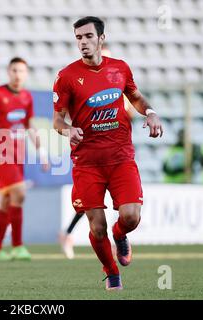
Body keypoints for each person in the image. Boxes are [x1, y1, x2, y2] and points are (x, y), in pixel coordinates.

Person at [53, 16, 163, 290]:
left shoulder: (120, 68)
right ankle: (111, 272)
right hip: (87, 162)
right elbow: (57, 120)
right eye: (78, 38)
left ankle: (121, 235)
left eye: (88, 36)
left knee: (130, 217)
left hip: (121, 157)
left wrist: (149, 113)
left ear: (101, 38)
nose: (83, 42)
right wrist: (68, 130)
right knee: (96, 227)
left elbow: (135, 97)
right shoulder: (66, 76)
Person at [58, 45, 137, 260]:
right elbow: (63, 117)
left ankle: (70, 234)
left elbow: (129, 113)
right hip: (88, 155)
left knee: (114, 207)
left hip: (116, 154)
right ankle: (67, 235)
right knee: (89, 204)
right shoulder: (77, 81)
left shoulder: (119, 86)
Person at [0, 57, 50, 261]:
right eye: (14, 70)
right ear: (8, 72)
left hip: (18, 152)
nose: (17, 74)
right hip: (0, 152)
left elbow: (30, 126)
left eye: (21, 71)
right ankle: (17, 246)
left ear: (26, 73)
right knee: (20, 193)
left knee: (6, 201)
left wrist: (42, 154)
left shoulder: (26, 97)